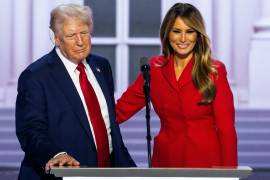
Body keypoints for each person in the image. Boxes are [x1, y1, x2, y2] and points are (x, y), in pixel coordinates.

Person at [15, 3, 135, 180]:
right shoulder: (35, 76)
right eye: (71, 35)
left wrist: (130, 171)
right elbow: (30, 130)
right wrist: (56, 155)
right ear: (56, 38)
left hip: (106, 171)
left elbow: (109, 127)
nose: (80, 42)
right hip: (60, 175)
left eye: (84, 33)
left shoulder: (102, 66)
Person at [116, 3, 237, 168]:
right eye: (176, 31)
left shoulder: (214, 71)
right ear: (167, 33)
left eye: (190, 32)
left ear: (198, 35)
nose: (183, 39)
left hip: (206, 163)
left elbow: (226, 129)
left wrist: (230, 173)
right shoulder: (154, 69)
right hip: (166, 162)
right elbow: (120, 111)